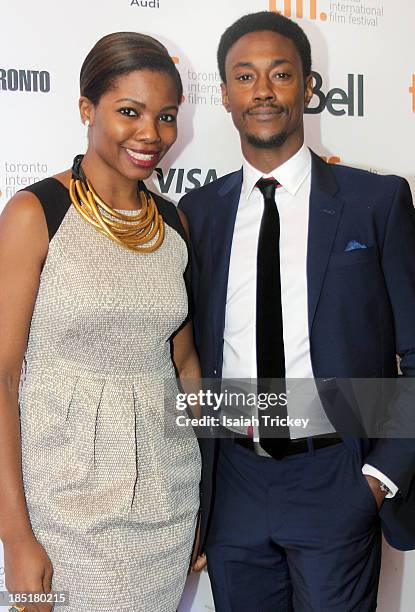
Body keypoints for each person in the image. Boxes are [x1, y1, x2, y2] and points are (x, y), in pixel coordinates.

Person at [179, 11, 415, 611]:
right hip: (232, 479)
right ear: (225, 93)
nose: (263, 91)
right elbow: (188, 356)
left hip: (337, 474)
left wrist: (380, 475)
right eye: (245, 76)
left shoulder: (376, 201)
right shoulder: (196, 213)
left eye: (280, 74)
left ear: (309, 87)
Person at [0, 32, 201, 611]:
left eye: (166, 117)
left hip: (167, 496)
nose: (152, 135)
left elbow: (183, 365)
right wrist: (15, 534)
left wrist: (204, 503)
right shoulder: (36, 213)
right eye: (129, 112)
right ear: (87, 109)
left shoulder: (173, 224)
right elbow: (4, 377)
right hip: (63, 501)